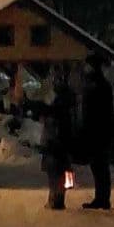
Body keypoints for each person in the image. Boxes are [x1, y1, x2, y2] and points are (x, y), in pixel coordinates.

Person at [81, 52, 114, 210]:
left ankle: (103, 199)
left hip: (98, 131)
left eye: (88, 65)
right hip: (98, 130)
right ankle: (101, 197)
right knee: (98, 166)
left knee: (100, 166)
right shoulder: (96, 83)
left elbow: (99, 111)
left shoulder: (99, 85)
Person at [41, 72, 74, 210]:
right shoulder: (67, 103)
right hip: (62, 142)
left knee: (55, 171)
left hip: (55, 141)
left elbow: (53, 118)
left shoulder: (58, 104)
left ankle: (55, 199)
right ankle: (57, 198)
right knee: (62, 170)